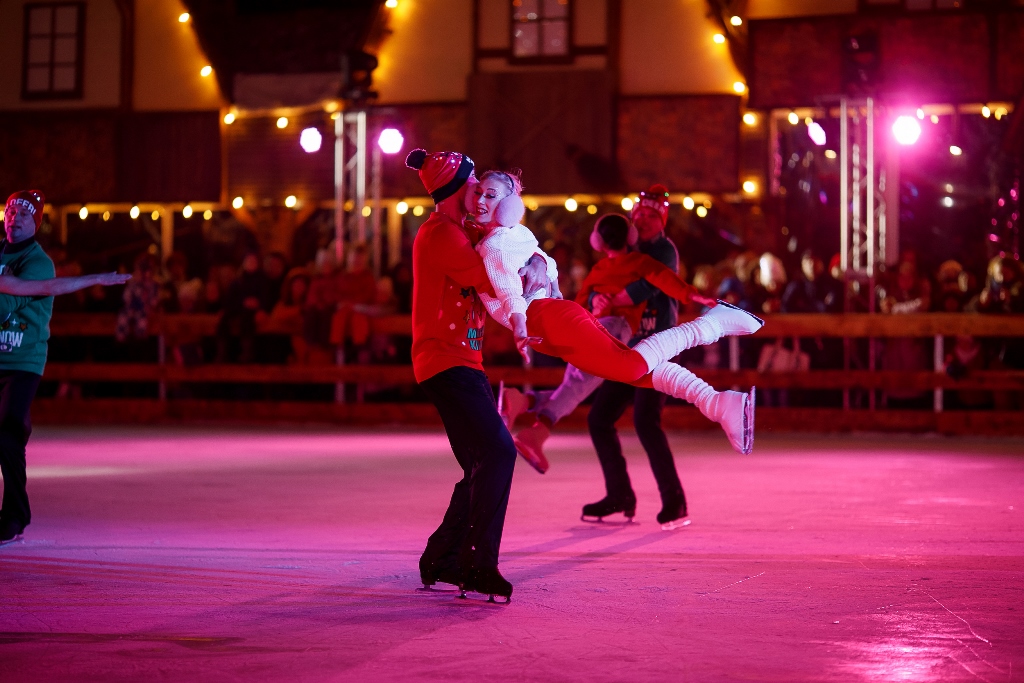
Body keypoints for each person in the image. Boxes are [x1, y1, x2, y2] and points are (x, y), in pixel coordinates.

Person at [469, 173, 761, 486]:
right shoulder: (512, 236)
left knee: (627, 369)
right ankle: (721, 404)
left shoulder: (497, 246)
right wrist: (548, 278)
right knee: (633, 375)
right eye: (479, 195)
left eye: (491, 195)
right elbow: (553, 272)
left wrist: (521, 322)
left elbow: (514, 292)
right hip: (556, 326)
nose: (481, 201)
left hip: (554, 321)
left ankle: (712, 324)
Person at [404, 148, 549, 603]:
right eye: (471, 184)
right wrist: (526, 266)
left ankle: (441, 558)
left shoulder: (461, 229)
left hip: (459, 360)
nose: (478, 193)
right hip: (446, 361)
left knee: (480, 463)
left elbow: (510, 248)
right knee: (499, 453)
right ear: (454, 189)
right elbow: (491, 278)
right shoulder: (441, 235)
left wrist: (536, 260)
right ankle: (477, 564)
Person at [501, 212, 743, 473]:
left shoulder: (597, 271)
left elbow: (577, 304)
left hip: (587, 324)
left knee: (579, 385)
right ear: (630, 237)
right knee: (588, 382)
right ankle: (537, 431)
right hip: (613, 328)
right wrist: (695, 297)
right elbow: (665, 279)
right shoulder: (638, 262)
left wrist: (594, 302)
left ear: (598, 243)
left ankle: (523, 402)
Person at [0, 190, 129, 546]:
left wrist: (91, 280)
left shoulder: (38, 261)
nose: (15, 218)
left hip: (23, 361)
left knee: (8, 429)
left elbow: (26, 291)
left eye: (24, 215)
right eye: (10, 212)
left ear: (36, 222)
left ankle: (14, 517)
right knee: (8, 431)